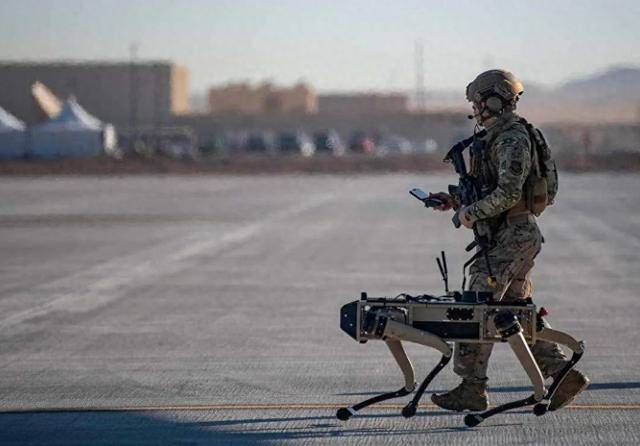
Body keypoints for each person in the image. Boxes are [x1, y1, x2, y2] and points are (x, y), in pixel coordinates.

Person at [428, 69, 589, 412]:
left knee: (476, 306)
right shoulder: (496, 137)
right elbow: (492, 192)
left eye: (478, 102)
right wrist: (455, 201)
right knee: (513, 313)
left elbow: (507, 193)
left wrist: (468, 214)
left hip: (513, 236)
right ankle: (563, 375)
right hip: (510, 235)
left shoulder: (512, 139)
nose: (475, 108)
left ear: (495, 101)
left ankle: (472, 388)